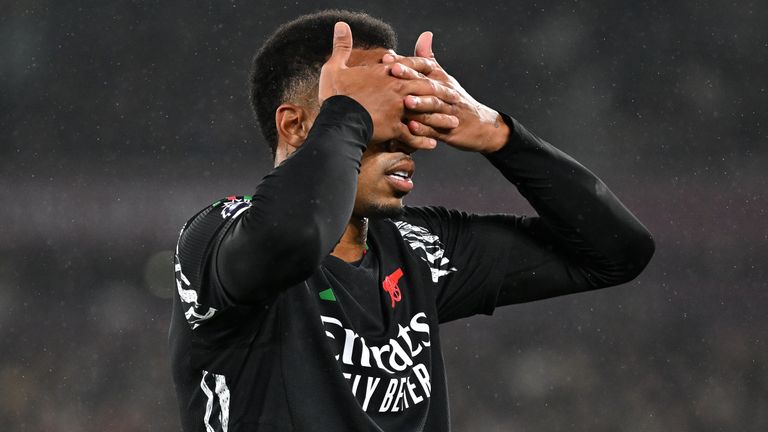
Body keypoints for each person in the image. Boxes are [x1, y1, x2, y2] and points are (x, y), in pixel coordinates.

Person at [169, 10, 654, 432]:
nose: (408, 135)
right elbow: (294, 239)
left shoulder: (418, 248)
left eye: (405, 110)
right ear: (295, 125)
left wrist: (500, 137)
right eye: (373, 115)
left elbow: (616, 254)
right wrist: (347, 115)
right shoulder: (215, 238)